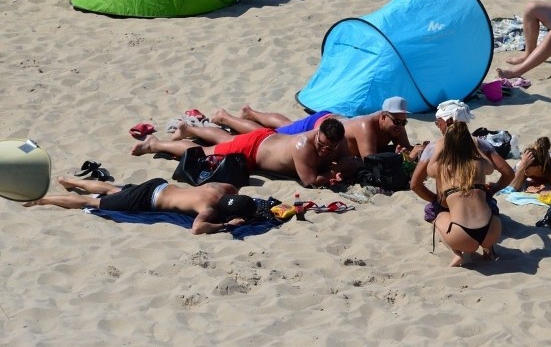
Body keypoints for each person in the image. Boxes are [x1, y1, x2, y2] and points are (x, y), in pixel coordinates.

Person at [131, 118, 349, 188]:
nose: (324, 150)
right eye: (322, 145)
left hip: (267, 139)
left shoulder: (335, 142)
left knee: (226, 140)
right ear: (317, 133)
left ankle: (190, 129)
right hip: (254, 150)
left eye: (330, 148)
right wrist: (333, 175)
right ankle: (155, 144)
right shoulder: (304, 145)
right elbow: (309, 180)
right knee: (205, 153)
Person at [173, 96, 413, 159]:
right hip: (322, 126)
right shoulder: (365, 126)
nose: (401, 126)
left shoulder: (396, 125)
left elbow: (407, 149)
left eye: (403, 122)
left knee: (287, 125)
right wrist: (398, 154)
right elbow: (370, 159)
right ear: (383, 117)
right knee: (268, 137)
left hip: (328, 122)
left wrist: (408, 151)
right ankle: (225, 118)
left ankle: (251, 113)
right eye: (397, 121)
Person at [24, 177, 256, 235]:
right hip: (147, 201)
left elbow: (233, 188)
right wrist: (226, 225)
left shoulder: (221, 189)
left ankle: (70, 181)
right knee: (93, 202)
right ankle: (42, 199)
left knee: (114, 190)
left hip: (159, 184)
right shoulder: (209, 209)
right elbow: (197, 229)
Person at [410, 100, 513, 211]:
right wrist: (493, 189)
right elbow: (509, 173)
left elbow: (415, 185)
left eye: (438, 122)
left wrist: (436, 199)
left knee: (429, 210)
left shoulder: (434, 148)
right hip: (478, 205)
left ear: (448, 121)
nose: (437, 126)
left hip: (449, 206)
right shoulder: (480, 144)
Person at [426, 122, 504, 266]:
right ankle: (488, 249)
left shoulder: (442, 167)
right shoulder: (479, 163)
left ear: (447, 145)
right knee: (488, 205)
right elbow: (491, 168)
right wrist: (476, 147)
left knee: (438, 216)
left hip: (461, 237)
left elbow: (429, 168)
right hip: (491, 231)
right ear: (469, 143)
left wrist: (438, 148)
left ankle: (456, 254)